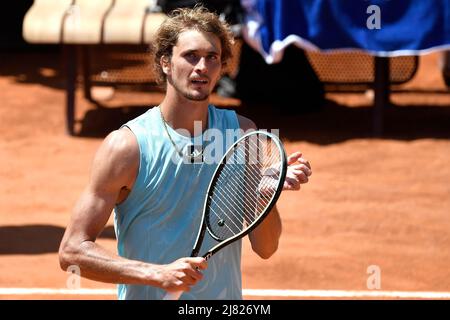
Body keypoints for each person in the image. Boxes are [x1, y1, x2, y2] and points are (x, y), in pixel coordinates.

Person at [59, 6, 312, 300]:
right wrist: (156, 274)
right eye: (191, 56)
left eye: (212, 57)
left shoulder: (240, 135)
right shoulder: (127, 147)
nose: (202, 67)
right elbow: (72, 249)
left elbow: (266, 248)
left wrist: (266, 194)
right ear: (166, 63)